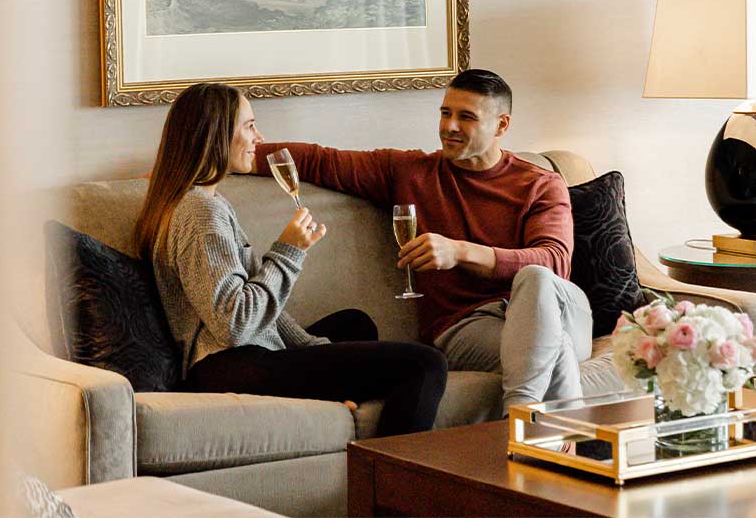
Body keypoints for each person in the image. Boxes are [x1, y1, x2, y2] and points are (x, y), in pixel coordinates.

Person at [253, 69, 591, 410]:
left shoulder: (540, 183)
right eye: (445, 113)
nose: (449, 126)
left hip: (558, 310)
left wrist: (459, 252)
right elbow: (318, 160)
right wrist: (231, 154)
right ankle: (530, 426)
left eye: (466, 117)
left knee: (535, 279)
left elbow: (554, 262)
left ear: (501, 125)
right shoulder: (411, 171)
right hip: (469, 327)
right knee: (553, 348)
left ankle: (517, 423)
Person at [133, 83, 446, 437]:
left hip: (237, 357)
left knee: (354, 325)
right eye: (250, 126)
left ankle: (332, 392)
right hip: (229, 366)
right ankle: (386, 471)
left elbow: (264, 314)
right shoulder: (200, 212)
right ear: (217, 135)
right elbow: (234, 324)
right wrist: (288, 251)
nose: (259, 137)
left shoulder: (203, 201)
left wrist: (315, 350)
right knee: (426, 364)